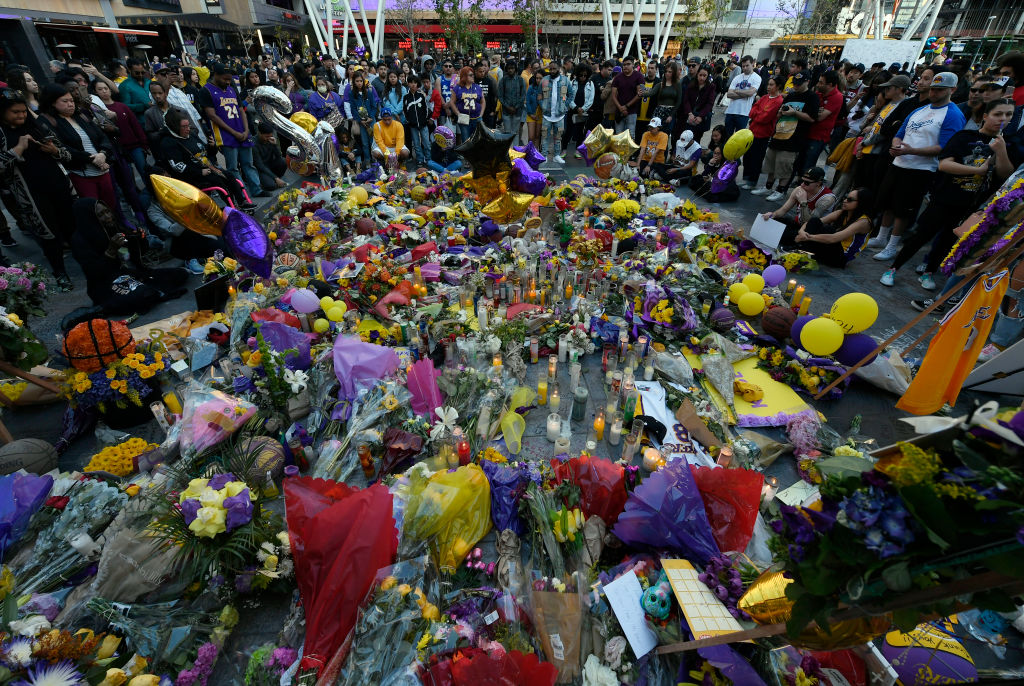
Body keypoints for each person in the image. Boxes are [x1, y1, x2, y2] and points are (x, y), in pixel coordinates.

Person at [880, 99, 1016, 289]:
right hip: (945, 196)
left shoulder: (1005, 144)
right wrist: (977, 170)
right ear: (985, 116)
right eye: (998, 114)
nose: (1003, 119)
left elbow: (1005, 174)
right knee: (922, 235)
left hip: (970, 204)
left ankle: (929, 272)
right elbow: (944, 165)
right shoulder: (964, 136)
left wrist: (1001, 152)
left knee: (947, 241)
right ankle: (894, 268)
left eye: (1008, 115)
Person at [872, 71, 966, 261]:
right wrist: (896, 145)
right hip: (899, 163)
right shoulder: (920, 109)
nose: (934, 93)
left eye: (940, 90)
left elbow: (945, 147)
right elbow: (900, 132)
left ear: (952, 90)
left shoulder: (953, 114)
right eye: (933, 89)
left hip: (921, 169)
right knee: (888, 203)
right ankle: (881, 237)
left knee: (903, 210)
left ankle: (892, 245)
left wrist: (911, 151)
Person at [0, 92, 77, 289]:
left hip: (59, 185)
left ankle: (90, 265)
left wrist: (54, 150)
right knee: (48, 234)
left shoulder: (37, 126)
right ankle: (60, 273)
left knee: (72, 227)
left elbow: (66, 154)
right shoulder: (1, 134)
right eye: (15, 112)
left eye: (23, 111)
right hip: (32, 194)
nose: (21, 115)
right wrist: (18, 149)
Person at [70, 198, 188, 315]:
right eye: (101, 215)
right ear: (89, 218)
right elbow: (94, 273)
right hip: (106, 285)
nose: (108, 216)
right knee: (143, 294)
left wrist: (139, 239)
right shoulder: (80, 241)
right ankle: (105, 306)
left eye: (107, 211)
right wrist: (111, 251)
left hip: (130, 274)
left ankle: (149, 292)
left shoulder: (114, 227)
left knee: (180, 274)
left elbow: (134, 254)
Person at [36, 84, 121, 215]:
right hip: (80, 174)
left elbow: (102, 137)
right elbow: (61, 147)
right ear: (52, 102)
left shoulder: (80, 115)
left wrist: (103, 154)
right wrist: (92, 159)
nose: (70, 104)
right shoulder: (46, 120)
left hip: (102, 169)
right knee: (94, 211)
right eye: (65, 101)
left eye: (71, 100)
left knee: (111, 207)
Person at [159, 109, 255, 212]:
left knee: (230, 176)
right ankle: (232, 207)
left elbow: (208, 153)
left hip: (209, 168)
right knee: (219, 181)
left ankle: (242, 202)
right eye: (184, 127)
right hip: (193, 176)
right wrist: (200, 172)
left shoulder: (192, 135)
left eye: (188, 125)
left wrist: (212, 146)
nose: (188, 129)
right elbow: (178, 166)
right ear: (175, 127)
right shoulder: (168, 142)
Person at [752, 72, 819, 202]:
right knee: (771, 162)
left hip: (795, 137)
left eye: (799, 84)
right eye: (795, 84)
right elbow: (779, 113)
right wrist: (780, 113)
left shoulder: (812, 97)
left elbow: (812, 118)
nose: (796, 86)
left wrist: (795, 113)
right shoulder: (790, 95)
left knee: (785, 165)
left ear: (807, 82)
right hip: (779, 133)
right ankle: (768, 187)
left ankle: (780, 190)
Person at [199, 63, 263, 196]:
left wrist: (246, 130)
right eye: (225, 79)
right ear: (216, 75)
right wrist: (234, 132)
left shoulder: (231, 89)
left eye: (230, 79)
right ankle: (242, 195)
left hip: (242, 131)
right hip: (225, 135)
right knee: (233, 168)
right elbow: (212, 115)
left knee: (248, 164)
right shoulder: (206, 90)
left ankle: (257, 190)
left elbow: (241, 110)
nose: (228, 82)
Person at [778, 187, 875, 268]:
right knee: (812, 222)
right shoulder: (842, 213)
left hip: (840, 257)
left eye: (850, 200)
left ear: (861, 203)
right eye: (845, 197)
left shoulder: (864, 222)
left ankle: (800, 248)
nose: (845, 201)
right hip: (826, 246)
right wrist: (802, 232)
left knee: (828, 230)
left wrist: (807, 237)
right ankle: (799, 246)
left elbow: (833, 238)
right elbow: (811, 222)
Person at [91, 78, 148, 177]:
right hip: (118, 150)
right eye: (100, 89)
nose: (104, 91)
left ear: (110, 89)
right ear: (95, 92)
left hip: (135, 146)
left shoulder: (122, 106)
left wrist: (144, 144)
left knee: (145, 172)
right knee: (128, 177)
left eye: (106, 88)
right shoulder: (98, 110)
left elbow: (135, 125)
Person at [760, 166, 837, 233]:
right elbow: (784, 209)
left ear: (818, 183)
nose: (802, 184)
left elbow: (809, 223)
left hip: (813, 232)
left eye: (807, 183)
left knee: (782, 234)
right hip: (798, 224)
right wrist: (772, 215)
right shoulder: (799, 189)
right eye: (802, 181)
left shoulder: (827, 199)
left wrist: (803, 202)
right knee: (770, 222)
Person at [739, 76, 783, 190]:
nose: (768, 87)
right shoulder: (764, 97)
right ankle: (746, 178)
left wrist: (757, 114)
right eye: (768, 84)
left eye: (771, 85)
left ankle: (752, 181)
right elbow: (752, 111)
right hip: (752, 131)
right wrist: (759, 113)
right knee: (747, 156)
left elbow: (765, 118)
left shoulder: (778, 100)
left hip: (763, 135)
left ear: (778, 86)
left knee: (756, 158)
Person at [540, 63, 574, 163]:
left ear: (559, 68)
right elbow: (539, 95)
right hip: (547, 114)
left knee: (558, 136)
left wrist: (565, 106)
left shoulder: (565, 80)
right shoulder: (544, 80)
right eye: (550, 69)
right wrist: (543, 105)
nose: (552, 71)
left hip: (560, 114)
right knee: (545, 136)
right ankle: (544, 156)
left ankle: (557, 155)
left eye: (554, 69)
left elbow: (571, 94)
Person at [344, 71, 380, 164]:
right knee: (364, 142)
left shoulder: (369, 92)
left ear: (363, 82)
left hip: (371, 120)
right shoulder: (352, 94)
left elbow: (374, 106)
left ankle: (375, 160)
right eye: (357, 81)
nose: (359, 83)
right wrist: (360, 120)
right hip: (361, 122)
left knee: (373, 141)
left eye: (361, 81)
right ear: (354, 82)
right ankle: (367, 160)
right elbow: (353, 109)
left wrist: (371, 117)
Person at [723, 55, 761, 138]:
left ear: (752, 64)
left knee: (738, 139)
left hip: (744, 113)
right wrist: (745, 94)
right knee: (726, 137)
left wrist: (737, 91)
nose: (745, 68)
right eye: (743, 66)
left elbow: (750, 93)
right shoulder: (737, 77)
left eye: (747, 65)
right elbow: (729, 94)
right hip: (730, 112)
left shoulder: (757, 78)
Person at [678, 65, 715, 147]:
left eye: (704, 76)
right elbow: (686, 100)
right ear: (697, 74)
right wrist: (690, 113)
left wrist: (701, 116)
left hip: (701, 117)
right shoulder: (691, 85)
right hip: (689, 116)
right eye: (700, 75)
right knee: (685, 138)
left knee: (696, 140)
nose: (702, 78)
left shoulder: (711, 87)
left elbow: (710, 103)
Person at [611, 56, 644, 135]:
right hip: (619, 111)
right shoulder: (618, 77)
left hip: (632, 111)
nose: (625, 66)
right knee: (618, 135)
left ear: (633, 65)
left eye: (628, 64)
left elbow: (639, 94)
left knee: (631, 135)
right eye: (624, 64)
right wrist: (621, 108)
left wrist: (626, 106)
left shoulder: (639, 76)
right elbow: (613, 95)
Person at [403, 75, 431, 166]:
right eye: (411, 82)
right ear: (408, 84)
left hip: (423, 124)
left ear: (418, 84)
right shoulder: (406, 97)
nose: (413, 84)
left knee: (426, 142)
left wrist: (425, 119)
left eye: (415, 82)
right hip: (413, 125)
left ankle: (428, 158)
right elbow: (405, 111)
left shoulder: (421, 95)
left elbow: (426, 109)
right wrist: (409, 121)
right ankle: (420, 159)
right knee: (416, 143)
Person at [450, 67, 483, 142]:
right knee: (466, 140)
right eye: (470, 75)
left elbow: (483, 101)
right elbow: (452, 102)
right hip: (464, 119)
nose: (473, 76)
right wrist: (458, 114)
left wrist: (481, 114)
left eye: (473, 75)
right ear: (464, 76)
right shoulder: (457, 88)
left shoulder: (477, 87)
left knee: (476, 140)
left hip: (476, 118)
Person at [498, 59, 526, 143]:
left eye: (512, 68)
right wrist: (508, 107)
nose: (510, 70)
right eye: (509, 68)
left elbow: (523, 95)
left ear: (515, 69)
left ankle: (515, 150)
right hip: (506, 111)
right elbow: (500, 96)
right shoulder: (503, 80)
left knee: (515, 133)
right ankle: (508, 150)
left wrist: (516, 107)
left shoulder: (520, 80)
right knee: (507, 133)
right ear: (506, 69)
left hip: (517, 111)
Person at [253, 121, 287, 192]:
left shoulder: (270, 139)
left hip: (270, 165)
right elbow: (260, 165)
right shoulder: (254, 144)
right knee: (271, 186)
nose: (268, 138)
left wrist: (275, 145)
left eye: (270, 136)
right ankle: (274, 179)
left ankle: (274, 178)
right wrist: (275, 178)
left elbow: (279, 156)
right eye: (266, 136)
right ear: (259, 133)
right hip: (260, 169)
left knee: (283, 161)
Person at [634, 61, 660, 142]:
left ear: (656, 70)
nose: (650, 70)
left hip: (651, 117)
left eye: (652, 68)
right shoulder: (641, 80)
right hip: (638, 116)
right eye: (648, 68)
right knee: (638, 139)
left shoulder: (659, 83)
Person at [475, 61, 498, 129]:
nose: (482, 73)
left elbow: (493, 96)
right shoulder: (472, 82)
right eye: (480, 72)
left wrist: (493, 110)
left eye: (483, 71)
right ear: (475, 71)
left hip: (488, 112)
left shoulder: (489, 81)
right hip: (475, 112)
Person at [524, 72, 543, 150]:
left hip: (541, 114)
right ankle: (529, 152)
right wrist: (530, 114)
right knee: (531, 136)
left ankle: (535, 153)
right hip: (531, 113)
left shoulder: (546, 88)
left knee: (537, 135)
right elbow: (527, 101)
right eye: (537, 78)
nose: (538, 80)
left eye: (540, 78)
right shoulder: (531, 88)